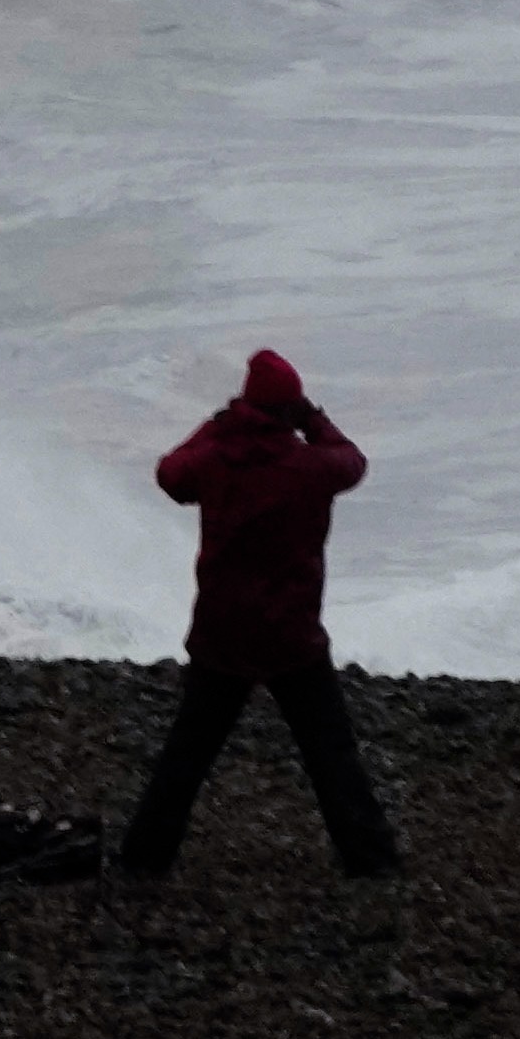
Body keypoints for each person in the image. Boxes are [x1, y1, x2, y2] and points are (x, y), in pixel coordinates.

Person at [120, 348, 401, 881]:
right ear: (289, 409)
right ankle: (372, 862)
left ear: (247, 406)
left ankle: (144, 859)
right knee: (330, 753)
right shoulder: (311, 467)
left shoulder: (215, 460)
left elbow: (169, 475)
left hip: (222, 633)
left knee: (188, 754)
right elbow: (353, 460)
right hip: (292, 635)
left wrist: (216, 424)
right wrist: (314, 417)